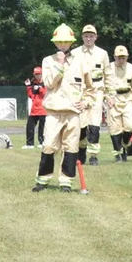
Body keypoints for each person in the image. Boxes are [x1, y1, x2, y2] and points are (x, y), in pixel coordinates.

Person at [32, 24, 95, 193]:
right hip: (53, 111)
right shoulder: (48, 61)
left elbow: (90, 88)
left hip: (73, 113)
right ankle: (42, 179)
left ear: (71, 43)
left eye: (66, 42)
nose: (63, 45)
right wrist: (59, 63)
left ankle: (66, 181)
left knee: (71, 147)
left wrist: (86, 102)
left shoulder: (81, 62)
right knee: (49, 145)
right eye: (59, 42)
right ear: (55, 43)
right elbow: (50, 83)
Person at [71, 24, 110, 166]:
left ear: (96, 37)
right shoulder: (75, 53)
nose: (88, 38)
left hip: (97, 92)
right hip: (80, 92)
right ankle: (81, 150)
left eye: (91, 36)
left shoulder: (102, 54)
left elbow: (108, 75)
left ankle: (94, 155)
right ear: (82, 37)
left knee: (94, 124)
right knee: (80, 124)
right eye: (86, 36)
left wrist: (109, 95)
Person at [105, 45, 132, 162]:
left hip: (128, 100)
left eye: (123, 58)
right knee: (115, 128)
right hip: (113, 100)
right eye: (119, 57)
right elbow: (104, 85)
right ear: (114, 56)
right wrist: (108, 97)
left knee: (130, 125)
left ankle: (125, 144)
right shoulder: (108, 68)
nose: (121, 60)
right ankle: (118, 153)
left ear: (127, 57)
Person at [23, 66, 47, 149]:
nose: (37, 76)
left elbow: (46, 95)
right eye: (36, 74)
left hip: (43, 109)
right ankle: (30, 144)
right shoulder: (34, 83)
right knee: (29, 126)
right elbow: (31, 96)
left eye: (39, 74)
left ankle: (42, 142)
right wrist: (28, 87)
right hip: (34, 109)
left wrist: (40, 89)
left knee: (42, 127)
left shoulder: (46, 82)